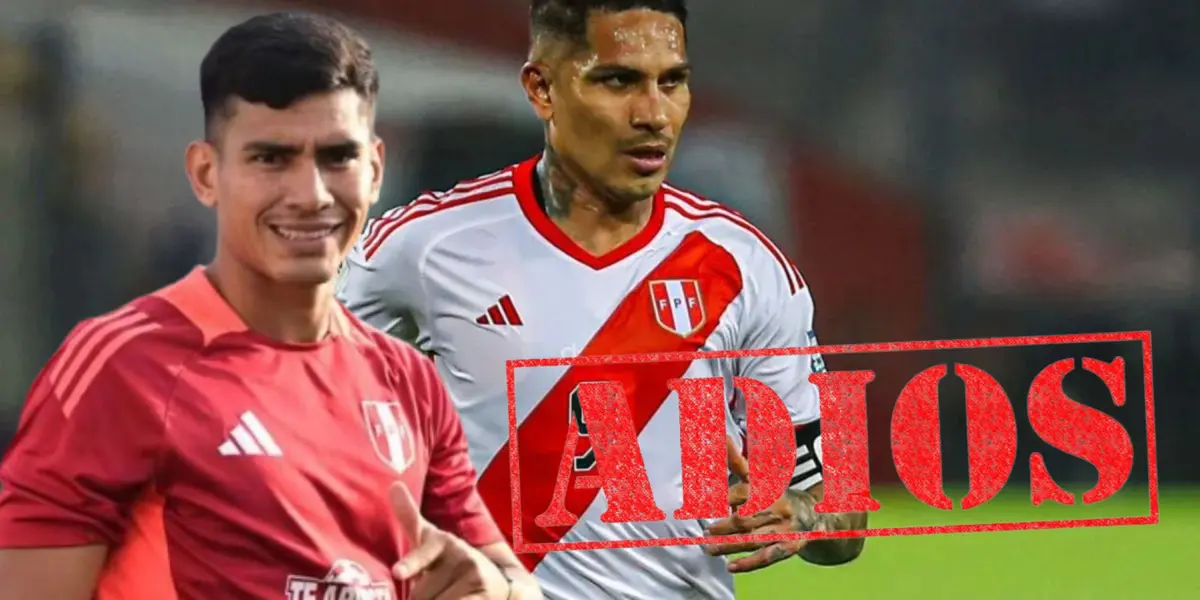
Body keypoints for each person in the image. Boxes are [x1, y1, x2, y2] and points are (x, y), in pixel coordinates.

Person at [0, 12, 541, 600]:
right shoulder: (122, 366)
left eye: (337, 157)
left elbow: (507, 576)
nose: (310, 195)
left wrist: (497, 587)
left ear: (377, 170)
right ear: (207, 174)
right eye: (271, 159)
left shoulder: (407, 380)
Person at [338, 1, 869, 598]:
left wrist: (800, 514)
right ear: (541, 88)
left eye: (673, 82)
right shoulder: (420, 248)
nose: (654, 114)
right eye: (618, 81)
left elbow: (844, 514)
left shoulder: (746, 266)